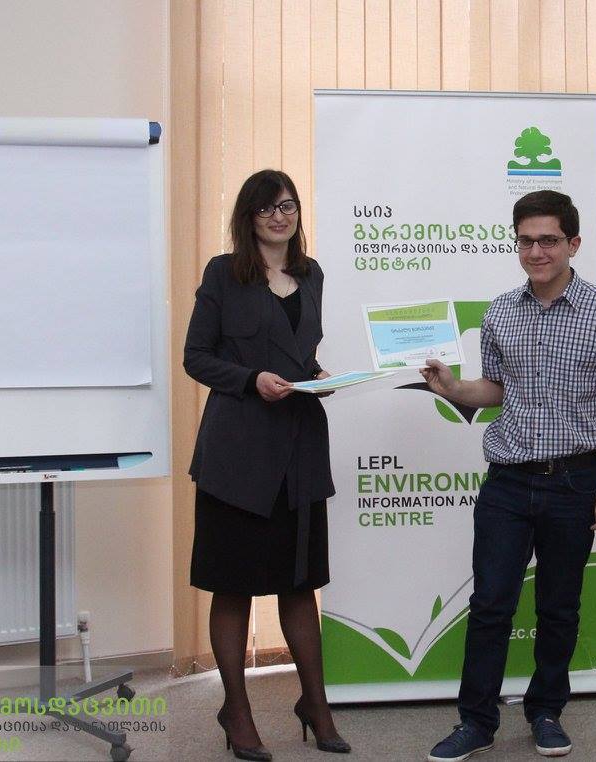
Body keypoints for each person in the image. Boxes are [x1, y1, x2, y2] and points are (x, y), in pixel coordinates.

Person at [421, 190, 596, 760]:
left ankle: (546, 711)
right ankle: (476, 722)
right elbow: (495, 390)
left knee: (558, 608)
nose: (536, 251)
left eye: (548, 240)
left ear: (573, 244)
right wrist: (453, 388)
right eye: (525, 241)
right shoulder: (500, 312)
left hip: (576, 481)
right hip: (508, 481)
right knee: (491, 605)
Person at [184, 169, 350, 761]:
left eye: (289, 206)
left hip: (300, 450)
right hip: (238, 455)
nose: (280, 217)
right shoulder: (224, 274)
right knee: (233, 589)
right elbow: (196, 357)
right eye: (267, 208)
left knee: (300, 586)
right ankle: (237, 710)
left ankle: (316, 704)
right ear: (248, 216)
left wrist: (318, 378)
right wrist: (252, 379)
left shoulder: (313, 274)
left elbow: (302, 354)